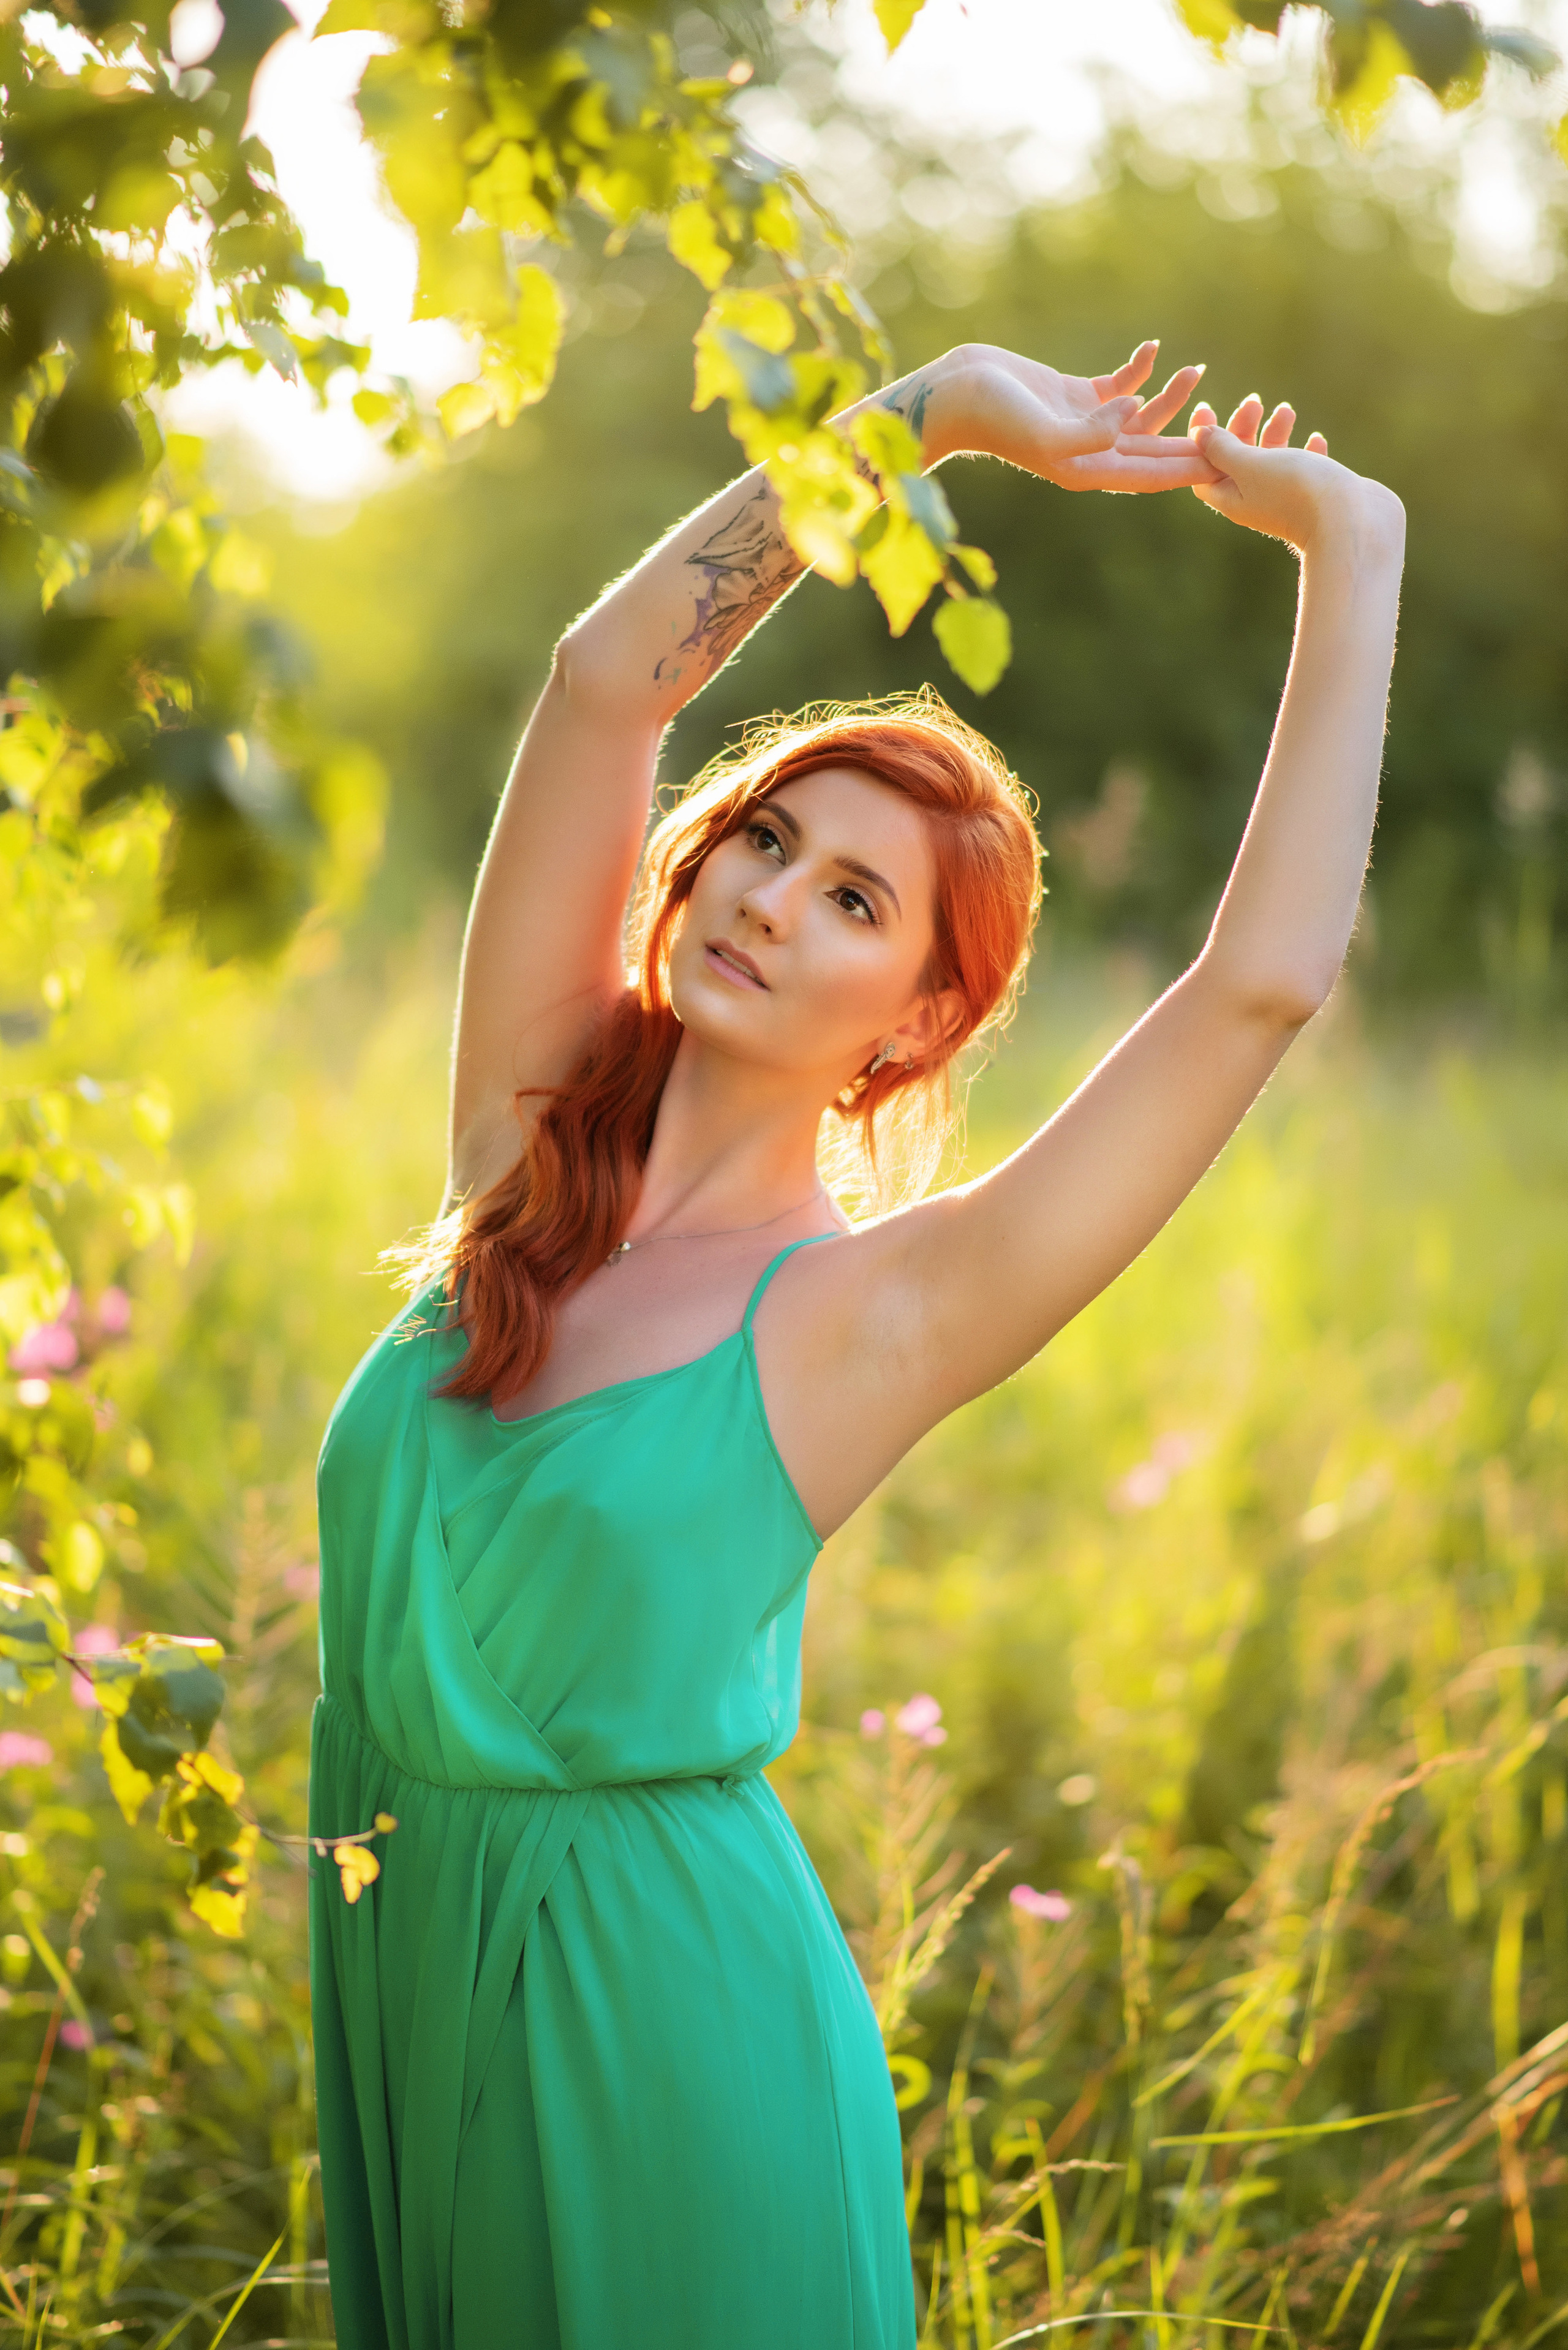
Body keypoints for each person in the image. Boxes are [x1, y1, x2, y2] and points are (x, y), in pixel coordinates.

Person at [308, 336, 1404, 2350]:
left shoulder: (874, 1319)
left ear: (912, 1017)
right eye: (761, 842)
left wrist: (1355, 556)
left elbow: (1261, 984)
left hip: (666, 2028)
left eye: (852, 900)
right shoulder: (520, 1143)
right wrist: (942, 412)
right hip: (405, 1953)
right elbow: (604, 682)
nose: (767, 900)